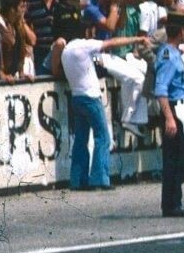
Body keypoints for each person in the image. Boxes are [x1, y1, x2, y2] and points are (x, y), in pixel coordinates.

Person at [55, 33, 143, 191]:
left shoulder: (66, 51)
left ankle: (78, 179)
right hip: (91, 96)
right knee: (103, 137)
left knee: (80, 140)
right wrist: (136, 39)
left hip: (77, 96)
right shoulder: (84, 45)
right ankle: (100, 178)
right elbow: (112, 43)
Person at [154, 11, 184, 217]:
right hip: (175, 108)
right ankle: (171, 204)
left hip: (183, 106)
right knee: (174, 158)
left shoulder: (174, 51)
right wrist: (169, 118)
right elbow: (161, 89)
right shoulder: (169, 57)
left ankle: (174, 201)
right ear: (181, 31)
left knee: (180, 158)